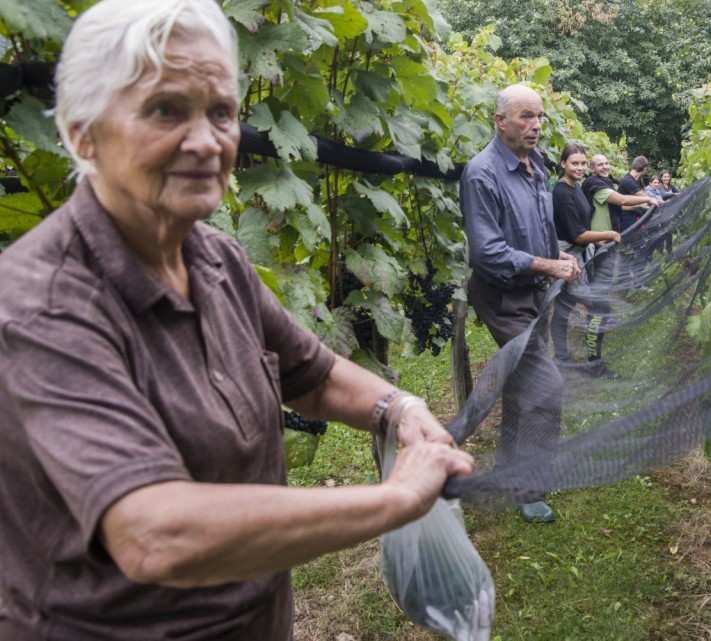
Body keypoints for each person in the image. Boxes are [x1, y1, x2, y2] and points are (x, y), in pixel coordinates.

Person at [0, 2, 473, 639]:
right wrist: (395, 499)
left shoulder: (214, 256)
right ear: (83, 132)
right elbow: (154, 533)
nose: (205, 141)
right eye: (165, 109)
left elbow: (312, 375)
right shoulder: (41, 302)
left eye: (220, 111)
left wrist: (398, 407)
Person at [460, 84, 580, 524]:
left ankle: (507, 475)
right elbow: (488, 253)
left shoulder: (537, 166)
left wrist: (558, 255)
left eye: (540, 117)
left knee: (520, 385)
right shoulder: (482, 173)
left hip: (534, 293)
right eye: (526, 117)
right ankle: (529, 489)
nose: (536, 126)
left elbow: (538, 226)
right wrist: (548, 265)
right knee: (547, 387)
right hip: (504, 297)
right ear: (500, 120)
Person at [549, 143, 620, 377]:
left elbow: (583, 226)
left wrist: (595, 240)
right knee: (599, 305)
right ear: (563, 164)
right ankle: (593, 364)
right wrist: (608, 234)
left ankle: (562, 358)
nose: (579, 168)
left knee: (563, 309)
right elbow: (576, 234)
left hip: (579, 253)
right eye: (574, 163)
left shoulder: (576, 187)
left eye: (582, 163)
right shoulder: (561, 192)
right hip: (568, 257)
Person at [582, 154, 655, 233]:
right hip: (599, 235)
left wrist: (639, 206)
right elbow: (622, 200)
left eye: (606, 163)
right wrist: (648, 199)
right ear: (592, 169)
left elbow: (620, 206)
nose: (605, 167)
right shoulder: (595, 184)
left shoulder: (605, 182)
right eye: (600, 164)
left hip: (609, 234)